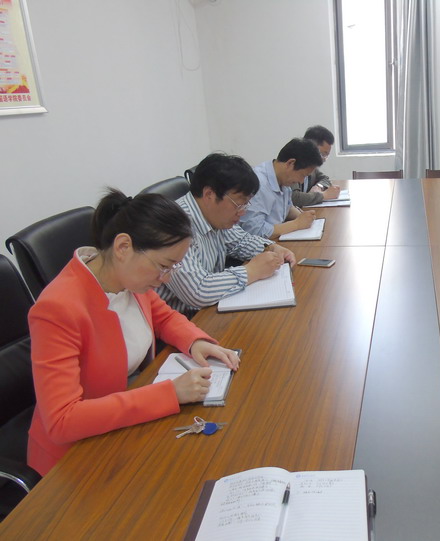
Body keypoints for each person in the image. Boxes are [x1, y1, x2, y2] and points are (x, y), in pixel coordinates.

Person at [28, 189, 240, 476]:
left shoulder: (125, 277)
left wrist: (195, 341)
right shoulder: (57, 309)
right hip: (76, 458)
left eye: (173, 267)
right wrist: (169, 393)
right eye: (163, 266)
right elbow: (62, 420)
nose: (166, 278)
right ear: (123, 246)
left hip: (125, 422)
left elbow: (162, 316)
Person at [157, 152, 296, 316]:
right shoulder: (173, 224)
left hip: (209, 309)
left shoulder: (215, 216)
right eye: (239, 204)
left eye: (246, 205)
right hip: (181, 319)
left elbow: (240, 241)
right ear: (209, 195)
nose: (242, 212)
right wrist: (251, 271)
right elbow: (198, 291)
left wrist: (271, 248)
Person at [239, 138, 324, 238]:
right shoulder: (258, 184)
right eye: (303, 175)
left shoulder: (282, 179)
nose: (301, 181)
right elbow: (254, 230)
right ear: (290, 163)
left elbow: (287, 207)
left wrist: (303, 217)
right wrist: (296, 224)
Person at [290, 125, 341, 207]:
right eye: (323, 154)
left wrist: (318, 186)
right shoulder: (294, 164)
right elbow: (294, 198)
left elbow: (325, 179)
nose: (324, 159)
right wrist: (324, 195)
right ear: (310, 146)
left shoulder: (311, 167)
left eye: (326, 155)